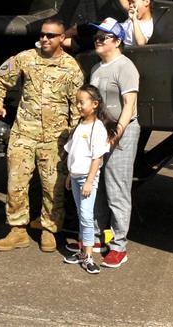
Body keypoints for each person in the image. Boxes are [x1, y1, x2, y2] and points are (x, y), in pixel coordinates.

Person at [0, 17, 85, 253]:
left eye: (51, 35)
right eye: (42, 34)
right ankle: (17, 230)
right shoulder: (25, 58)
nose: (44, 38)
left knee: (53, 188)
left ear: (62, 38)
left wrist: (73, 140)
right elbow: (0, 80)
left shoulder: (71, 68)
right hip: (24, 133)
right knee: (16, 183)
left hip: (55, 138)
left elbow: (77, 107)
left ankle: (49, 231)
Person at [88, 17, 140, 268]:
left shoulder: (125, 67)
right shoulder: (96, 68)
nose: (98, 40)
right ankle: (97, 238)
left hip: (122, 132)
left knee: (117, 188)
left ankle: (119, 246)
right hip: (100, 132)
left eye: (104, 36)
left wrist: (115, 135)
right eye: (97, 36)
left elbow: (129, 106)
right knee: (97, 186)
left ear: (118, 41)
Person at [62, 85, 114, 275]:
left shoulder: (97, 128)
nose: (78, 105)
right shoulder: (80, 125)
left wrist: (89, 181)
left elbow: (97, 157)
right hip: (76, 177)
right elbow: (74, 153)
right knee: (80, 214)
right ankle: (83, 252)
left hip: (86, 178)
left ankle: (89, 256)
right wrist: (70, 175)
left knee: (86, 216)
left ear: (94, 104)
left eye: (81, 102)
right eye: (77, 102)